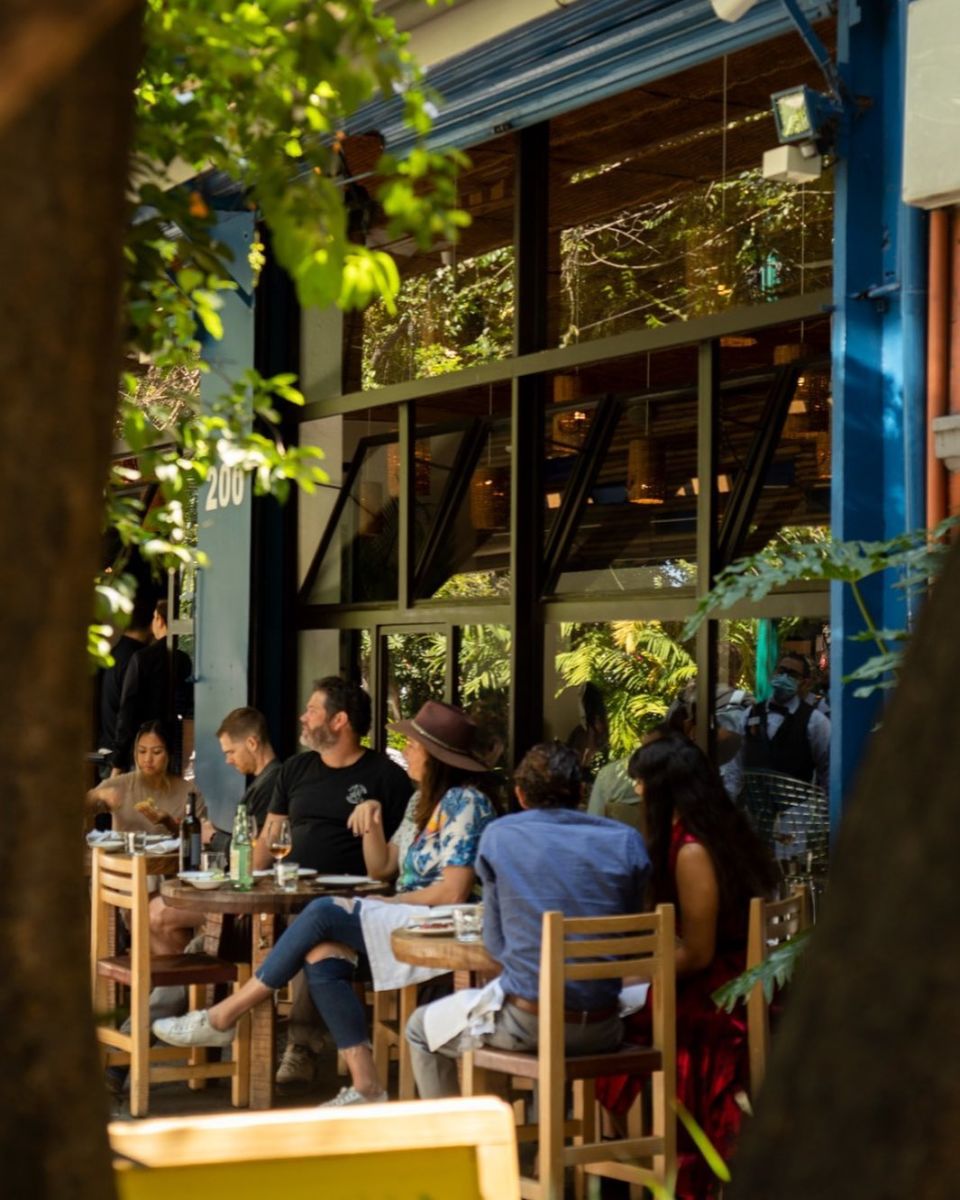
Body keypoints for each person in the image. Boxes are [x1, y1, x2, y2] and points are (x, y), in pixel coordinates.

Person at [152, 699, 498, 1106]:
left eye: (414, 745)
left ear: (437, 757)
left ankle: (225, 1015)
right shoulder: (419, 803)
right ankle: (368, 1083)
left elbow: (454, 891)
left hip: (444, 924)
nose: (406, 751)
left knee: (321, 910)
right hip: (407, 917)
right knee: (322, 952)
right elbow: (382, 865)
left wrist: (392, 902)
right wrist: (370, 817)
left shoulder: (467, 804)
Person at [405, 740, 650, 1100]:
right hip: (606, 1028)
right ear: (581, 791)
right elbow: (630, 933)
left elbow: (496, 946)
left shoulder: (500, 838)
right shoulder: (626, 841)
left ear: (520, 795)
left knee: (418, 1028)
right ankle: (544, 1133)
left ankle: (457, 1148)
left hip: (528, 1025)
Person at [595, 734, 778, 1199]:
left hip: (718, 994)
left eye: (639, 783)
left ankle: (637, 1168)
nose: (634, 793)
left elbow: (697, 953)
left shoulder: (692, 849)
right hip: (739, 979)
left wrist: (637, 971)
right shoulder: (719, 831)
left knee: (610, 1038)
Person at [255, 677, 415, 1088]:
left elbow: (396, 861)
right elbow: (269, 837)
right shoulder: (294, 769)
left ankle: (301, 1045)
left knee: (315, 929)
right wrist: (241, 881)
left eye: (312, 710)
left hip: (355, 903)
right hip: (288, 891)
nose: (303, 717)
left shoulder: (387, 779)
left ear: (339, 720)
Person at [111, 601, 192, 773]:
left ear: (159, 619)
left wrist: (117, 762)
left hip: (143, 749)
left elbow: (127, 711)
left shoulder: (141, 659)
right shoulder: (184, 660)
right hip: (176, 750)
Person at [87, 719, 202, 833]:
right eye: (142, 751)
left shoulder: (189, 792)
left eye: (156, 752)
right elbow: (75, 810)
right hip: (124, 852)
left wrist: (169, 822)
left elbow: (200, 837)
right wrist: (98, 794)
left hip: (173, 852)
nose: (148, 759)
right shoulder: (119, 784)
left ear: (169, 754)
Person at [740, 652, 830, 790]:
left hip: (797, 808)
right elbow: (735, 765)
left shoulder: (815, 721)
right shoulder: (750, 714)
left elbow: (828, 768)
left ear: (804, 682)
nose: (784, 677)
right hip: (754, 806)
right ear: (774, 673)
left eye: (792, 675)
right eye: (781, 671)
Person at [202, 706, 281, 854]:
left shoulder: (272, 784)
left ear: (252, 743)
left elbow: (254, 851)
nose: (228, 760)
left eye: (231, 752)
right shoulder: (265, 781)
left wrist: (212, 836)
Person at [96, 596, 153, 769]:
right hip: (123, 757)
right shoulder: (139, 658)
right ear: (153, 622)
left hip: (107, 747)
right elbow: (129, 710)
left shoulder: (115, 653)